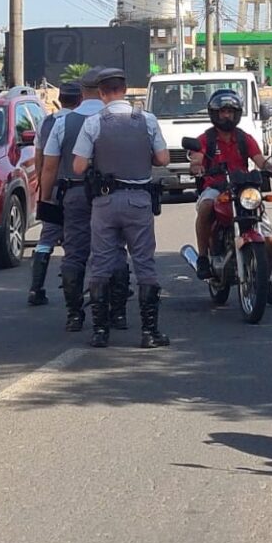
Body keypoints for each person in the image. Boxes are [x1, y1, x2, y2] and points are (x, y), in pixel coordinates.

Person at [71, 67, 169, 349]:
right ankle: (150, 332)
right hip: (139, 200)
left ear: (101, 93)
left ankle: (100, 331)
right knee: (144, 264)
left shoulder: (93, 122)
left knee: (101, 264)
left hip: (104, 202)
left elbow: (78, 166)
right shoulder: (147, 120)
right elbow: (162, 158)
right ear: (125, 90)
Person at [190, 88, 272, 305]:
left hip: (242, 188)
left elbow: (260, 160)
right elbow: (196, 159)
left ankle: (265, 281)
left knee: (270, 240)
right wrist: (197, 167)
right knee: (205, 206)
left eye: (231, 111)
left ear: (237, 113)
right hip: (216, 186)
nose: (226, 115)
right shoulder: (206, 139)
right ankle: (203, 257)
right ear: (214, 113)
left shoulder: (245, 138)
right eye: (222, 111)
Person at [27, 78, 84, 308]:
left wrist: (43, 191)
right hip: (77, 187)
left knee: (46, 239)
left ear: (60, 99)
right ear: (80, 100)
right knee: (79, 238)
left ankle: (36, 288)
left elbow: (40, 159)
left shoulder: (46, 123)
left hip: (52, 189)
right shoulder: (81, 123)